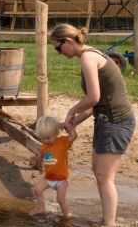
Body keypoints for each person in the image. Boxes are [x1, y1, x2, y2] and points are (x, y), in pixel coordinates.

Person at [52, 23, 135, 226]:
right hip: (106, 120)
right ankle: (108, 219)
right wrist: (73, 122)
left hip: (116, 122)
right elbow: (98, 103)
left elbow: (93, 97)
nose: (59, 52)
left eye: (58, 47)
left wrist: (72, 111)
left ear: (69, 42)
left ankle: (110, 223)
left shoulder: (88, 58)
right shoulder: (90, 55)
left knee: (104, 176)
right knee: (98, 171)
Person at [29, 115, 77, 218]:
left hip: (61, 180)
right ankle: (41, 208)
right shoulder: (43, 145)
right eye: (43, 138)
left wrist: (67, 127)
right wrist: (35, 159)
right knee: (37, 189)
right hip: (48, 178)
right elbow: (41, 157)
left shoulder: (63, 142)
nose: (46, 140)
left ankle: (67, 214)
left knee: (61, 200)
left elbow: (74, 136)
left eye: (48, 138)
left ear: (56, 133)